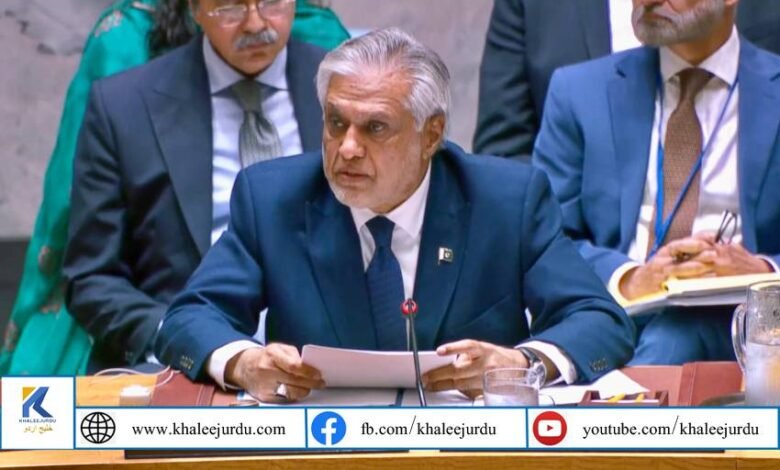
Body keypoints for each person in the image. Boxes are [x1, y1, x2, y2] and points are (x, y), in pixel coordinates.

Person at [155, 28, 634, 403]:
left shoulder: (506, 200)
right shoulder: (273, 198)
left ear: (432, 135)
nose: (347, 148)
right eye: (336, 122)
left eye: (375, 128)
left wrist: (521, 364)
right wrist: (243, 363)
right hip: (324, 445)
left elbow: (599, 320)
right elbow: (190, 318)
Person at [63, 0, 331, 371]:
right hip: (185, 367)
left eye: (271, 2)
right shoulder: (123, 106)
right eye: (230, 7)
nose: (256, 24)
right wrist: (192, 342)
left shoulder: (349, 90)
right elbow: (92, 278)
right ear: (194, 9)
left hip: (327, 360)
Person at [533, 0, 780, 365]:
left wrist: (764, 273)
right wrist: (630, 279)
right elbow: (546, 239)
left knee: (675, 337)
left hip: (745, 324)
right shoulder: (578, 91)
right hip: (614, 313)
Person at [474, 0, 780, 161]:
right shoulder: (572, 85)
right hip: (593, 244)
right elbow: (503, 155)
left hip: (745, 241)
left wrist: (763, 261)